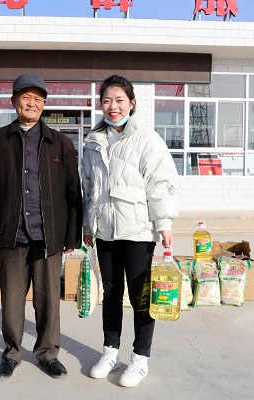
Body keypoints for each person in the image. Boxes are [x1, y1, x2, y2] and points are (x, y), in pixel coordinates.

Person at [0, 73, 82, 381]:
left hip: (49, 236)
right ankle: (11, 354)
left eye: (38, 98)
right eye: (26, 97)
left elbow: (73, 192)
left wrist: (72, 235)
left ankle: (48, 354)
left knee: (48, 300)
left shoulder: (60, 143)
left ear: (44, 104)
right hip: (10, 234)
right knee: (11, 301)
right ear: (14, 101)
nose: (32, 103)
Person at [81, 75, 179, 388]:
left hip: (137, 229)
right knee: (111, 294)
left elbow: (160, 183)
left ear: (132, 103)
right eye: (107, 100)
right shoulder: (93, 141)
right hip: (105, 230)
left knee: (139, 295)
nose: (113, 106)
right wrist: (87, 225)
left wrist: (164, 223)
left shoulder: (147, 139)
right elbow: (88, 187)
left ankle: (140, 358)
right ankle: (110, 351)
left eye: (120, 100)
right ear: (101, 104)